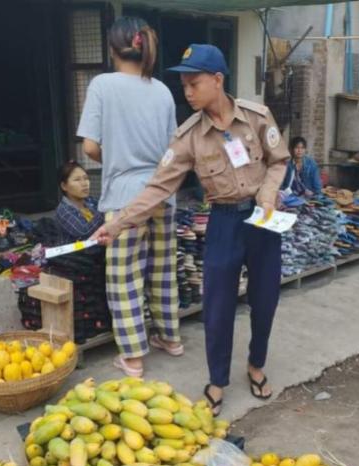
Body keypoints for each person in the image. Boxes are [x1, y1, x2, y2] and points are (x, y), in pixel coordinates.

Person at [92, 44, 289, 416]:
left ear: (217, 80)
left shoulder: (257, 117)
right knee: (217, 309)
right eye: (183, 84)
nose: (187, 91)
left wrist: (267, 194)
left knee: (264, 301)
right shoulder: (188, 138)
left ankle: (256, 365)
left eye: (193, 83)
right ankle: (217, 381)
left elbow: (279, 161)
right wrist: (118, 223)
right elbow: (158, 187)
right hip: (224, 223)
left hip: (262, 223)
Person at [77, 16, 183, 378]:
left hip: (124, 199)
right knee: (162, 269)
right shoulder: (163, 91)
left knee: (124, 278)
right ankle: (170, 338)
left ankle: (134, 357)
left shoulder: (103, 85)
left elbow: (90, 146)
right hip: (162, 193)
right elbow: (173, 150)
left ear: (111, 49)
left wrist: (117, 158)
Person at [54, 160, 104, 241]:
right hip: (77, 253)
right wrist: (104, 208)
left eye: (86, 178)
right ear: (64, 186)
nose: (84, 184)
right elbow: (83, 231)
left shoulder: (90, 201)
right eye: (77, 180)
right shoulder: (63, 211)